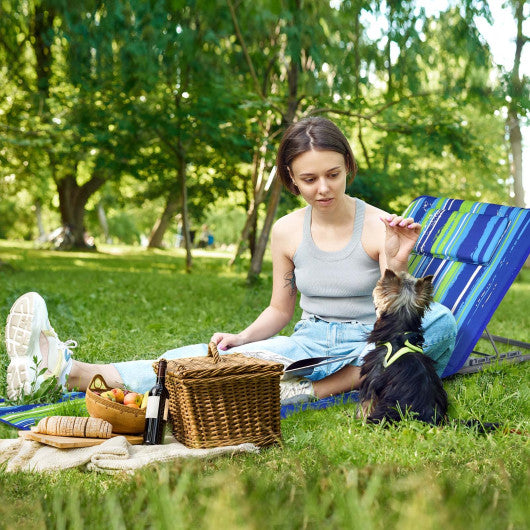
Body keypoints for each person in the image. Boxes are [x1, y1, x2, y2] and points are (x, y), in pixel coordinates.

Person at [4, 117, 457, 404]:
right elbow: (282, 310)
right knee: (207, 362)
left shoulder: (380, 224)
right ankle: (65, 372)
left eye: (333, 174)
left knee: (441, 323)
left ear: (348, 168)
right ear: (290, 180)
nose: (324, 188)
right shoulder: (286, 231)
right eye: (309, 178)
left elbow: (392, 321)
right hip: (311, 342)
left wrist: (397, 262)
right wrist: (241, 338)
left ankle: (316, 391)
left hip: (369, 343)